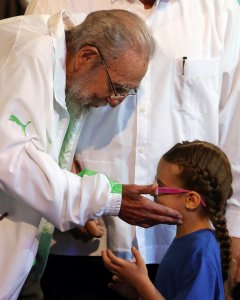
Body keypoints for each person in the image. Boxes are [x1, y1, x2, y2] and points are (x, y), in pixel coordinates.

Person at [25, 0, 240, 298]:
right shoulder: (54, 4)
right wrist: (73, 192)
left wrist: (235, 225)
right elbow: (28, 119)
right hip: (78, 240)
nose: (116, 100)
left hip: (181, 239)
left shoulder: (223, 10)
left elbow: (234, 126)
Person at [0, 9, 184, 300]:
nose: (115, 102)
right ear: (86, 57)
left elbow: (38, 154)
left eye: (127, 93)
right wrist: (109, 199)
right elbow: (11, 160)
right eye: (117, 87)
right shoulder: (30, 54)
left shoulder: (63, 65)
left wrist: (90, 196)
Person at [103, 140, 233, 300]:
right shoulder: (188, 241)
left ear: (191, 200)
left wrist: (142, 284)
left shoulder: (201, 250)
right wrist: (137, 293)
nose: (152, 191)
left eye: (161, 187)